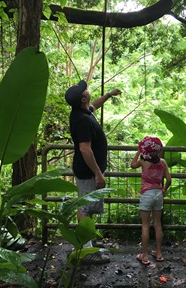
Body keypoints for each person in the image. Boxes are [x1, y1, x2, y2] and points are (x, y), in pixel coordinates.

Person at [65, 79, 121, 263]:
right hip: (87, 171)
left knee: (88, 207)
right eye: (85, 91)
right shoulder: (82, 121)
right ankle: (86, 252)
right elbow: (85, 149)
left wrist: (109, 95)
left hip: (88, 170)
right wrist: (98, 173)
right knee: (85, 208)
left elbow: (94, 105)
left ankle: (87, 245)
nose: (87, 90)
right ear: (82, 99)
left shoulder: (82, 111)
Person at [130, 136, 172, 265]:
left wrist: (138, 151)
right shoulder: (163, 162)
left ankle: (144, 255)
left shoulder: (143, 162)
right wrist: (164, 189)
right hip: (158, 193)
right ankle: (158, 253)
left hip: (146, 194)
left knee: (145, 225)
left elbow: (132, 165)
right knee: (157, 224)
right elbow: (169, 180)